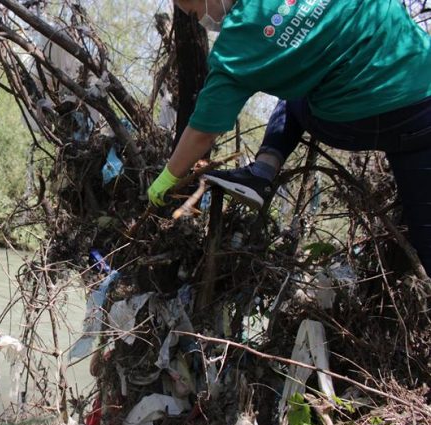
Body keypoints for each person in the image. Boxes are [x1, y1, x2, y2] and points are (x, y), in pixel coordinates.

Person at [147, 0, 431, 273]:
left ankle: (261, 172)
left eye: (196, 13)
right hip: (423, 100)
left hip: (375, 116)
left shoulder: (236, 46)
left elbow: (203, 131)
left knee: (296, 95)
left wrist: (167, 178)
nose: (202, 23)